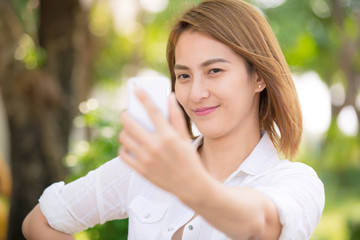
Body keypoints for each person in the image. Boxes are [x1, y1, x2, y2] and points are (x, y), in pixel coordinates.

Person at [22, 0, 325, 239]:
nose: (195, 93)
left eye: (214, 71)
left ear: (258, 76)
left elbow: (258, 225)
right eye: (183, 75)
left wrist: (189, 181)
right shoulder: (145, 169)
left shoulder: (295, 183)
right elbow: (41, 222)